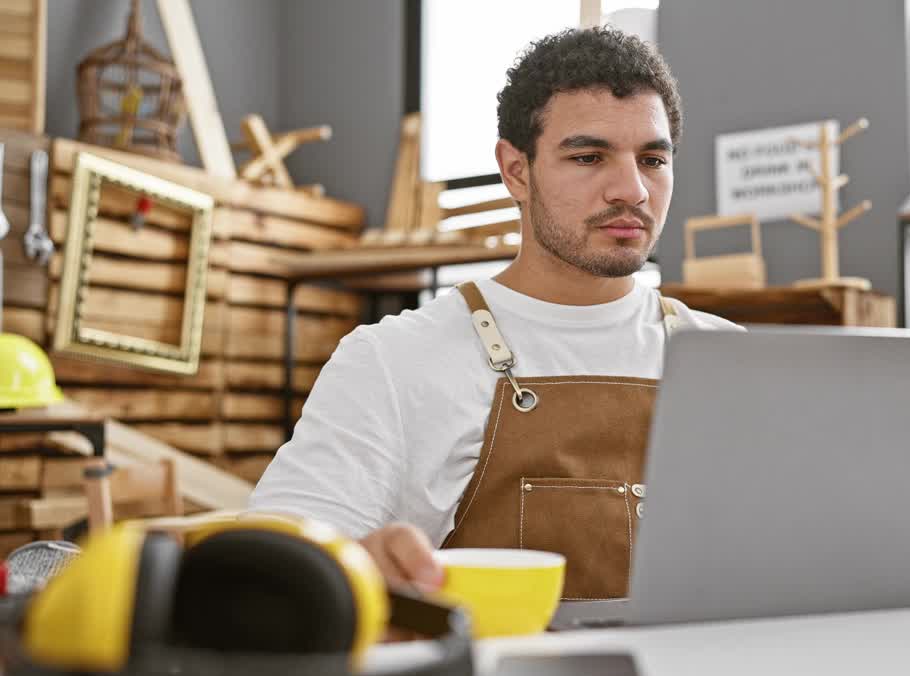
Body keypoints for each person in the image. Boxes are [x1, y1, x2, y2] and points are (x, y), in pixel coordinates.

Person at [249, 27, 738, 601]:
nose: (631, 190)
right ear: (516, 170)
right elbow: (271, 568)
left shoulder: (732, 360)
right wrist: (354, 566)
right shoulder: (391, 361)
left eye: (653, 159)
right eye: (588, 156)